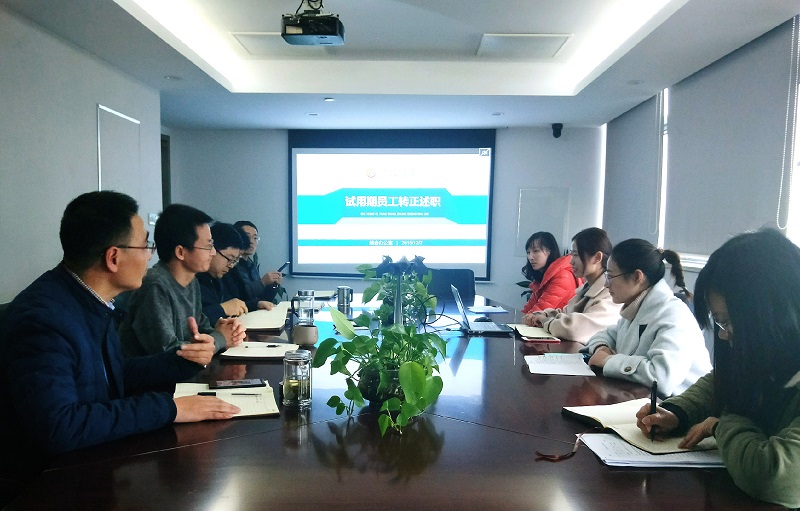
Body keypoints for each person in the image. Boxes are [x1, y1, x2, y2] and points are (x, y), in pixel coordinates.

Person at [0, 191, 239, 479]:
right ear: (113, 257)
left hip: (94, 462)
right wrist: (169, 408)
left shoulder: (90, 301)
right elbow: (61, 426)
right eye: (145, 246)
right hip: (50, 483)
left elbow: (112, 374)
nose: (150, 255)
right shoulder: (43, 320)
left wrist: (183, 360)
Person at [636, 229, 800, 508]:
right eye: (720, 322)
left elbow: (773, 476)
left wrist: (720, 424)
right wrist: (677, 412)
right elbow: (723, 379)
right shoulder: (773, 354)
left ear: (776, 314)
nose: (724, 335)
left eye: (729, 322)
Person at [584, 238, 711, 396]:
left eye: (610, 277)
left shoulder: (673, 315)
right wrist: (601, 348)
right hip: (643, 400)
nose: (606, 284)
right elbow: (605, 334)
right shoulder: (636, 307)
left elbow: (661, 377)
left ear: (637, 277)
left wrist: (607, 361)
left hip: (678, 407)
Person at [119, 204, 246, 357]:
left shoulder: (192, 281)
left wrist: (224, 330)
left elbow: (201, 329)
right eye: (208, 246)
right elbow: (167, 352)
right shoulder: (156, 286)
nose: (213, 252)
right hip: (155, 372)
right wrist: (219, 338)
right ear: (180, 252)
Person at [524, 228, 621, 343]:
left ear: (597, 258)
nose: (571, 261)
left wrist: (545, 320)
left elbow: (574, 330)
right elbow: (566, 312)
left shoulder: (610, 293)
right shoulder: (587, 287)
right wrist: (543, 314)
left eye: (576, 255)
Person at [223, 220, 285, 310]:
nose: (252, 242)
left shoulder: (251, 264)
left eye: (255, 238)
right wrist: (262, 283)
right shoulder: (230, 265)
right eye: (247, 237)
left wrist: (273, 286)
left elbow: (262, 301)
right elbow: (237, 298)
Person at [197, 222, 251, 324]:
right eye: (230, 259)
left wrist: (255, 304)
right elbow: (191, 321)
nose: (231, 265)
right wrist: (222, 309)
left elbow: (233, 305)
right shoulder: (194, 279)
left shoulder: (216, 278)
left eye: (235, 261)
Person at [520, 231, 582, 314]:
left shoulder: (562, 276)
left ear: (550, 252)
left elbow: (537, 314)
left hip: (554, 322)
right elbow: (526, 311)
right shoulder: (544, 277)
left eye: (536, 251)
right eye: (528, 252)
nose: (530, 257)